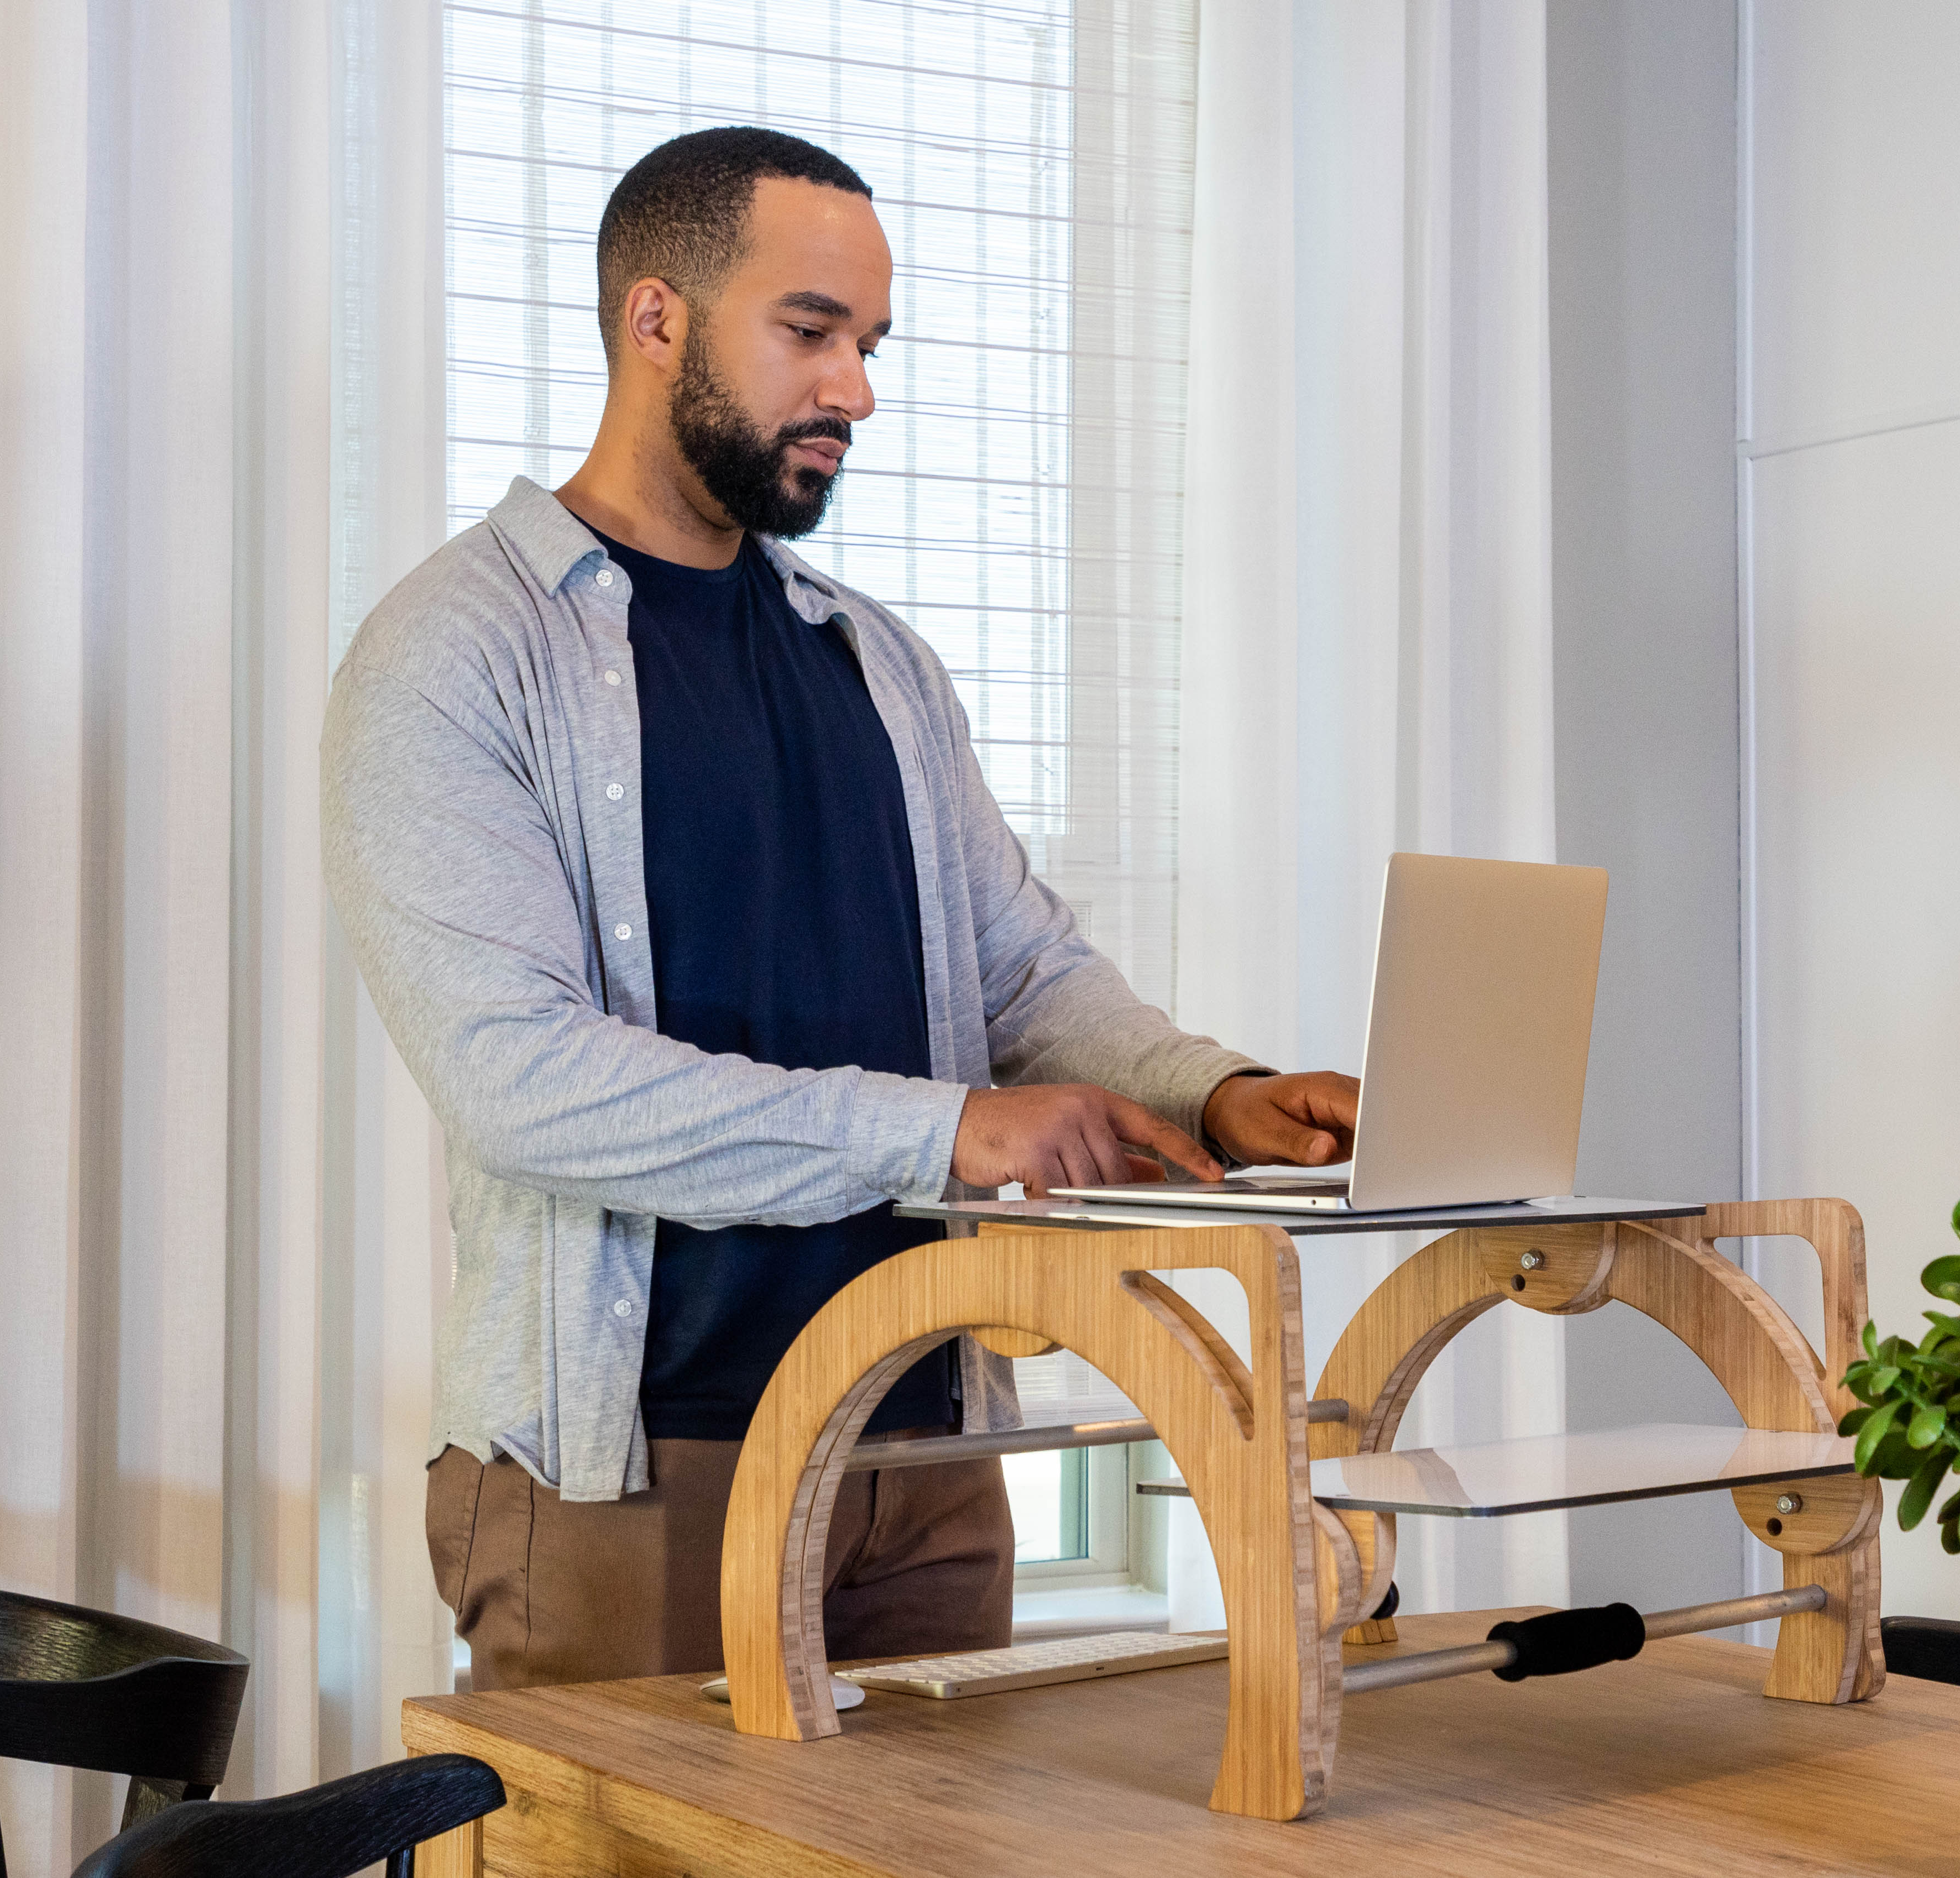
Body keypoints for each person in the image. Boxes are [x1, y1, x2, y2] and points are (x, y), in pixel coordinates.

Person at [321, 125, 1357, 1691]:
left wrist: (1209, 1087)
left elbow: (1021, 973)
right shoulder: (454, 655)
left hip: (923, 1458)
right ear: (654, 318)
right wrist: (945, 1133)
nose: (855, 391)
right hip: (640, 1479)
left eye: (867, 345)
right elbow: (519, 1084)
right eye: (809, 333)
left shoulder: (876, 660)